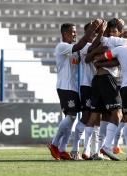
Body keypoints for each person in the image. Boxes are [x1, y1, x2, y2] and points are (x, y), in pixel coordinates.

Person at [82, 18, 127, 161]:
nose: (111, 34)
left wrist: (100, 61)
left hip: (98, 80)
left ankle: (90, 151)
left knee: (97, 116)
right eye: (109, 31)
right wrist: (123, 37)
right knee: (118, 114)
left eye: (114, 31)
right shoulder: (115, 41)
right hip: (107, 79)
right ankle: (106, 147)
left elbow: (92, 55)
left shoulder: (104, 40)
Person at [47, 19, 101, 160]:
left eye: (76, 32)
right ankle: (54, 144)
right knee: (71, 115)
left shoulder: (76, 49)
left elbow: (86, 46)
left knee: (71, 118)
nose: (74, 34)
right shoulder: (62, 46)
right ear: (64, 33)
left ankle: (63, 149)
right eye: (72, 32)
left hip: (73, 88)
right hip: (64, 86)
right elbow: (80, 45)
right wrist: (91, 30)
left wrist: (98, 33)